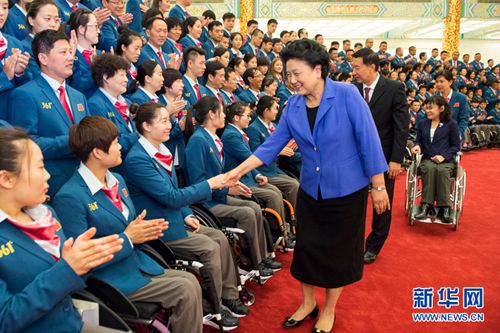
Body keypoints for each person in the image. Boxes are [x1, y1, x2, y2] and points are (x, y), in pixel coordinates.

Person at [225, 40, 389, 333]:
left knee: (338, 252)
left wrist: (378, 185)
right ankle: (308, 302)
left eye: (297, 73)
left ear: (318, 69)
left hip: (347, 190)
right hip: (311, 189)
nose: (292, 80)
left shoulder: (347, 95)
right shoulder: (294, 105)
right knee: (308, 249)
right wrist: (237, 172)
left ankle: (329, 309)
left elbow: (368, 139)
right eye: (288, 74)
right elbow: (270, 147)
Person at [53, 116, 204, 333]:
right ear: (97, 152)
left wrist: (142, 230)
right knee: (185, 287)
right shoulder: (70, 197)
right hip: (108, 280)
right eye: (115, 143)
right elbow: (83, 261)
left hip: (136, 264)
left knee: (189, 281)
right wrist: (129, 238)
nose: (120, 146)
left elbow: (128, 227)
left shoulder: (117, 180)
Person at [121, 103, 247, 328]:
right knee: (209, 247)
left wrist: (187, 213)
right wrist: (211, 184)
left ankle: (228, 295)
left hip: (176, 217)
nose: (169, 125)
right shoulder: (138, 159)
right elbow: (170, 197)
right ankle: (213, 307)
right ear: (146, 126)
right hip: (160, 227)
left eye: (168, 120)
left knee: (218, 237)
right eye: (162, 121)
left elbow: (174, 193)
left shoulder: (161, 150)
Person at [0, 127, 124, 333]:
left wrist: (84, 261)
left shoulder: (45, 214)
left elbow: (71, 282)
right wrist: (67, 269)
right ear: (6, 179)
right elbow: (5, 320)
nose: (48, 175)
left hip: (69, 321)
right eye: (39, 167)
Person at [185, 96, 278, 278]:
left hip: (217, 195)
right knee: (247, 212)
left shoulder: (210, 137)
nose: (224, 116)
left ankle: (261, 257)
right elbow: (199, 180)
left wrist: (231, 185)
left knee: (253, 206)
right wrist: (228, 189)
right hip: (206, 202)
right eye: (221, 112)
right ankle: (249, 261)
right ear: (212, 114)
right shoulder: (198, 140)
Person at [8, 30, 90, 197]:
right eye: (63, 52)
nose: (70, 57)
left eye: (70, 52)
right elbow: (26, 145)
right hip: (52, 184)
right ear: (43, 58)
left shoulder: (78, 96)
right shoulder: (26, 94)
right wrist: (74, 141)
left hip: (85, 181)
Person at [352, 48, 409, 264]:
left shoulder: (394, 88)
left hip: (384, 158)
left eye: (357, 67)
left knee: (381, 203)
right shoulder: (353, 89)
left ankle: (374, 245)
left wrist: (396, 159)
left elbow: (401, 128)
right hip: (354, 157)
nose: (354, 71)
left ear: (372, 66)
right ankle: (353, 242)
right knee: (355, 201)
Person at [412, 96, 460, 222]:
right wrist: (417, 146)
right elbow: (419, 141)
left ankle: (444, 208)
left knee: (442, 171)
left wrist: (443, 156)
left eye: (431, 108)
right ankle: (426, 206)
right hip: (428, 158)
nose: (427, 110)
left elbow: (455, 146)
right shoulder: (422, 123)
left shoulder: (451, 124)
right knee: (428, 168)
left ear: (441, 108)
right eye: (426, 108)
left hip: (446, 160)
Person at [88, 54, 138, 156]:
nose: (126, 79)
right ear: (106, 77)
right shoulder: (95, 105)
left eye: (126, 75)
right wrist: (140, 135)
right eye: (121, 75)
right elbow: (107, 143)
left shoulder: (128, 103)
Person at [68, 9, 100, 98]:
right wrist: (95, 70)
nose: (99, 31)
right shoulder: (70, 55)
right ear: (81, 29)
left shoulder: (100, 54)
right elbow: (75, 87)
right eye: (95, 26)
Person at [115, 26, 143, 94]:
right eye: (136, 48)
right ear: (123, 47)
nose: (139, 53)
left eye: (140, 49)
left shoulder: (136, 69)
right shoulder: (116, 70)